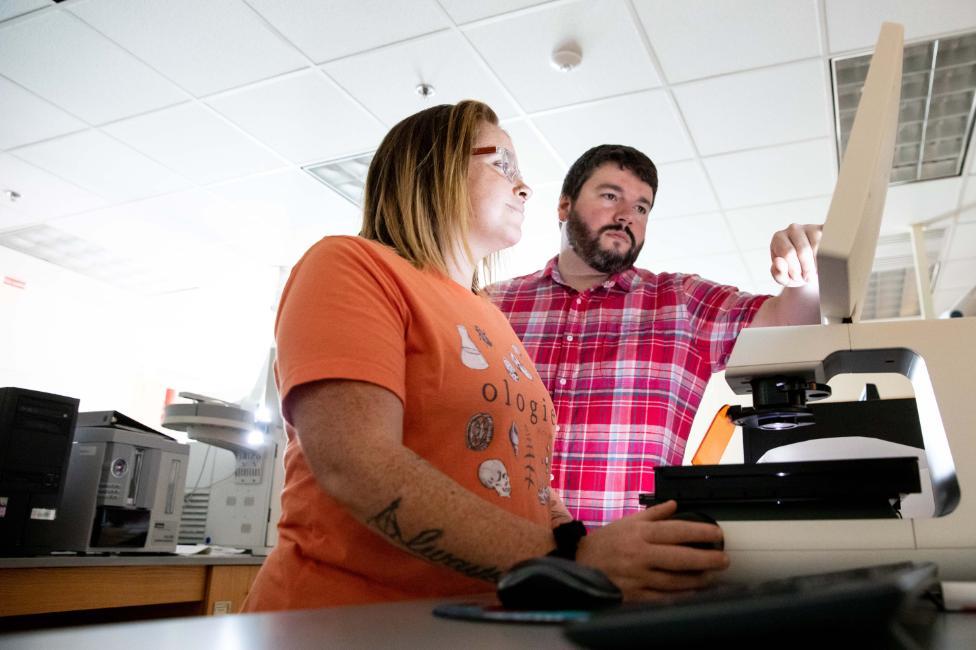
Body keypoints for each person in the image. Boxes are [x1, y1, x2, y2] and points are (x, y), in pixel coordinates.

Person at [242, 103, 727, 612]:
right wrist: (574, 556)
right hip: (342, 621)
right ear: (436, 167)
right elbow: (357, 463)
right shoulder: (350, 266)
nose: (524, 188)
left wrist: (585, 538)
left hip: (464, 621)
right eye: (504, 166)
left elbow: (528, 480)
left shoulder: (490, 316)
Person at [490, 144, 822, 528]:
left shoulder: (681, 302)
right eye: (611, 195)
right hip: (497, 558)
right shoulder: (494, 302)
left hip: (632, 573)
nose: (626, 216)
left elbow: (785, 330)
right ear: (564, 207)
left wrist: (809, 273)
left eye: (641, 207)